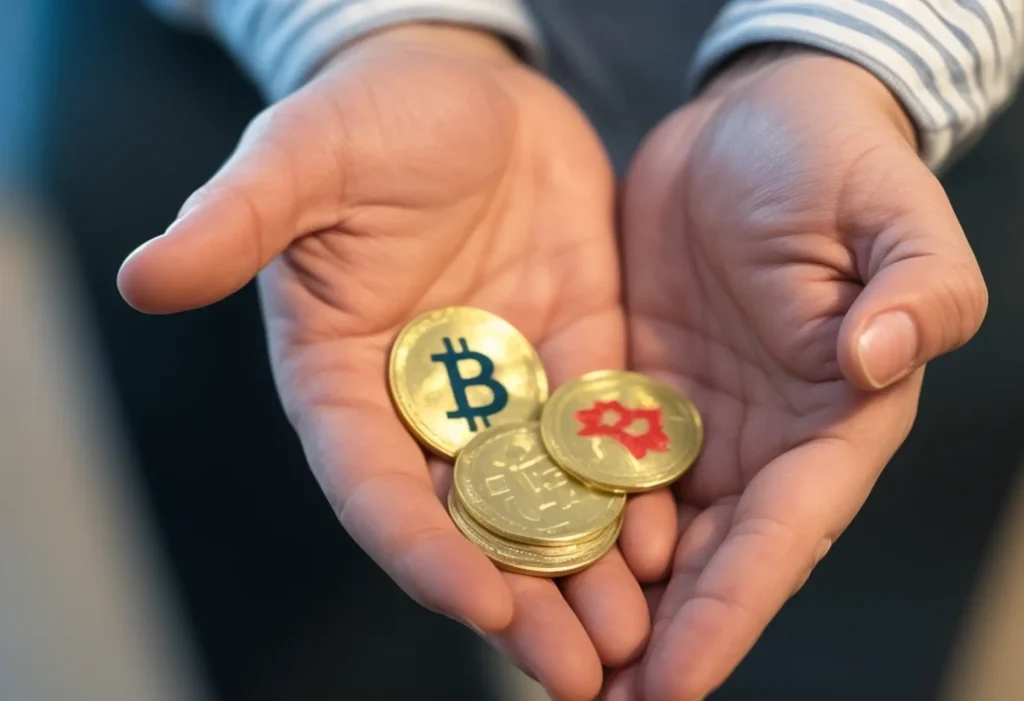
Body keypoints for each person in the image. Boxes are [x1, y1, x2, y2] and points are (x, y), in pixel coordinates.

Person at [118, 2, 1024, 699]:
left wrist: (857, 52)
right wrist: (377, 28)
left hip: (862, 145)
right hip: (277, 88)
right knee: (308, 609)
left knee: (830, 604)